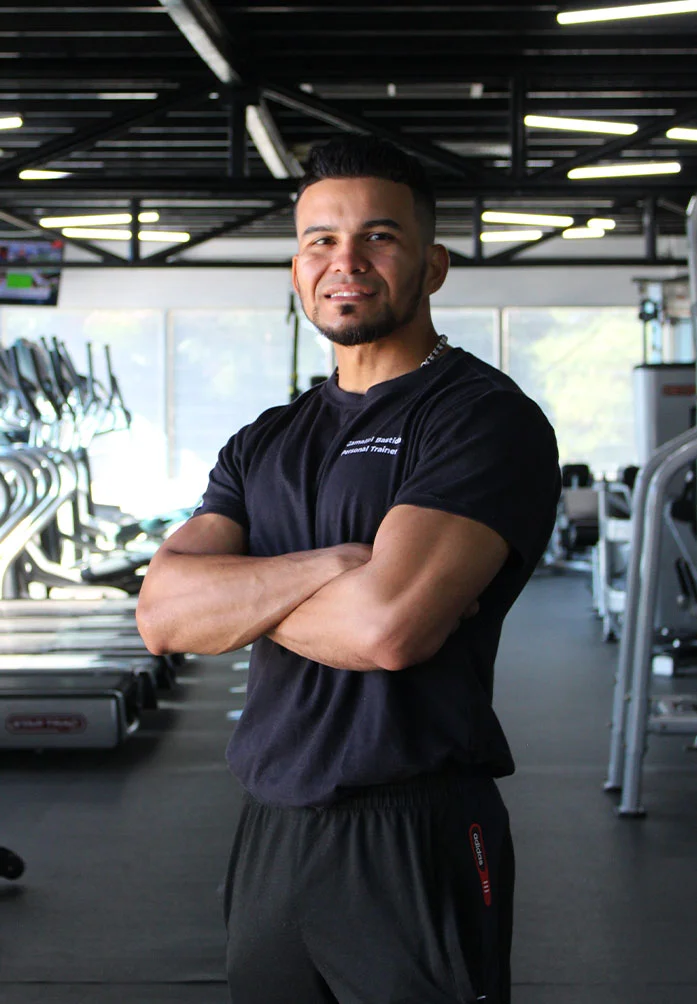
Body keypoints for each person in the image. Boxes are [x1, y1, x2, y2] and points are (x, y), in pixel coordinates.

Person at [136, 136, 560, 1004]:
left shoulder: (480, 420)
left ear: (433, 265)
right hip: (272, 828)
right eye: (319, 241)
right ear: (296, 270)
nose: (345, 262)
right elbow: (164, 616)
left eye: (379, 237)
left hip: (414, 830)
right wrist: (335, 565)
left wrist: (245, 591)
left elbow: (386, 628)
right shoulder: (265, 439)